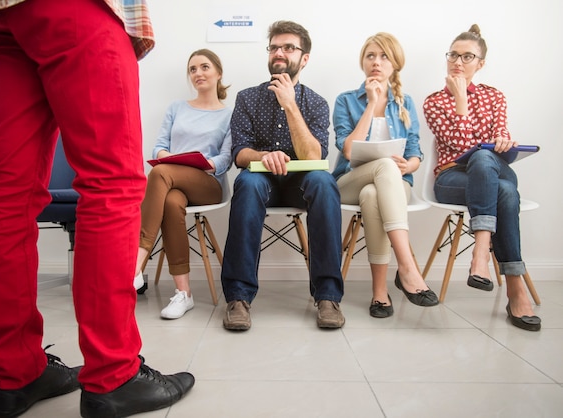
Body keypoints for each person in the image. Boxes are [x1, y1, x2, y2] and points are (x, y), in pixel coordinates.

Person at [0, 1, 194, 417]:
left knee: (6, 192)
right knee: (112, 183)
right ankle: (114, 374)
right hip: (78, 10)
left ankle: (16, 373)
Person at [220, 20, 345, 331]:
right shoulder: (247, 98)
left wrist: (290, 105)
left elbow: (314, 157)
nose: (279, 52)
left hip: (300, 184)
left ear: (304, 58)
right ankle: (238, 297)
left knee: (324, 182)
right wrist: (264, 156)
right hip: (262, 181)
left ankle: (328, 296)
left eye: (288, 47)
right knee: (246, 182)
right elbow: (240, 152)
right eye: (274, 46)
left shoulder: (315, 103)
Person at [423, 24, 541, 331]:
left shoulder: (494, 96)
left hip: (491, 170)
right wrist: (460, 100)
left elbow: (500, 133)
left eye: (467, 56)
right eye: (453, 55)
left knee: (486, 156)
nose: (458, 62)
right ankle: (515, 288)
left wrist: (504, 142)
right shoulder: (434, 102)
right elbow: (461, 148)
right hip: (451, 179)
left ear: (481, 63)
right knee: (505, 193)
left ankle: (480, 252)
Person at [332, 32, 439, 318]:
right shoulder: (345, 101)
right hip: (349, 181)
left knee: (373, 194)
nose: (376, 62)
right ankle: (407, 267)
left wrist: (410, 166)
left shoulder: (405, 103)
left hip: (393, 184)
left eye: (383, 56)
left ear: (395, 64)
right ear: (363, 62)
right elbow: (349, 151)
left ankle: (380, 292)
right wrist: (370, 103)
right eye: (370, 56)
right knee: (382, 169)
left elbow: (416, 150)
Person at [134, 48, 233, 319]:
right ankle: (184, 294)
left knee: (160, 173)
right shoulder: (177, 108)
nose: (198, 73)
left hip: (208, 185)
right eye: (192, 69)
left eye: (204, 67)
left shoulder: (229, 114)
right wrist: (168, 157)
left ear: (218, 73)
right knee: (170, 200)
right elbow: (159, 148)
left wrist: (201, 162)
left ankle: (136, 262)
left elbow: (226, 159)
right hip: (174, 183)